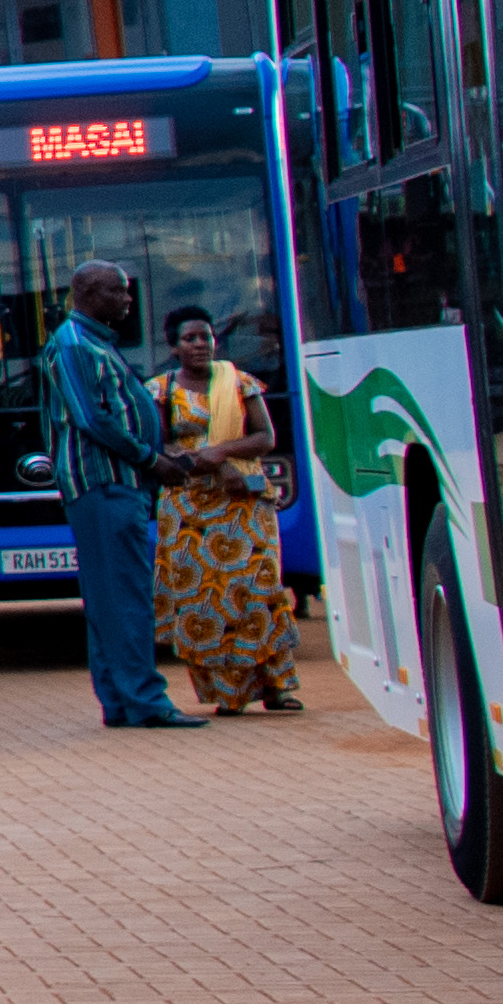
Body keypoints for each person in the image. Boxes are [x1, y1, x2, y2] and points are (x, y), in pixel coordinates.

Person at [153, 299, 307, 717]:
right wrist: (197, 460)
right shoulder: (161, 390)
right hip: (190, 512)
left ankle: (278, 689)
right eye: (190, 338)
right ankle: (228, 695)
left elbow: (264, 438)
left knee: (257, 594)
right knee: (203, 602)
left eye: (206, 336)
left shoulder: (239, 383)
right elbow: (158, 443)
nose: (201, 344)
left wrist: (220, 453)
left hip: (242, 507)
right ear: (174, 346)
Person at [44, 258, 178, 727]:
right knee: (125, 597)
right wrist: (150, 458)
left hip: (116, 486)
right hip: (105, 484)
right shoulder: (76, 345)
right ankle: (146, 701)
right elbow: (93, 418)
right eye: (119, 291)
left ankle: (121, 702)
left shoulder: (93, 342)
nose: (127, 299)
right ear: (90, 293)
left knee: (107, 600)